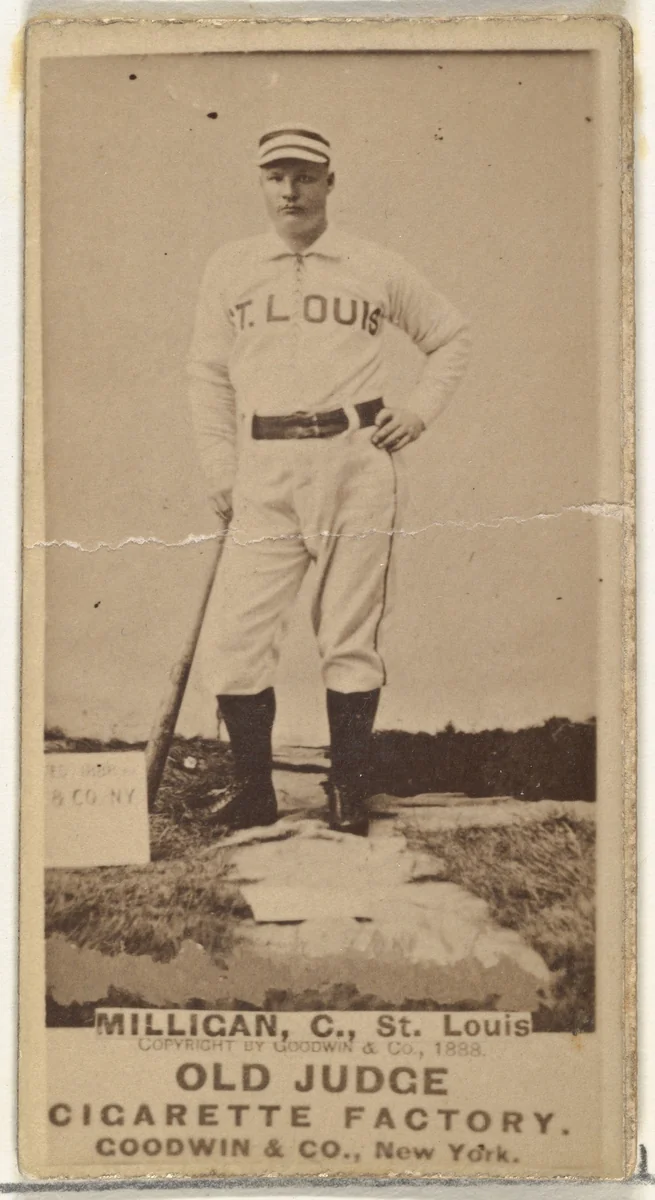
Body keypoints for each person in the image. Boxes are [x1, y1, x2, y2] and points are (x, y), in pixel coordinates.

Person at [188, 124, 471, 836]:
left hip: (354, 460)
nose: (290, 189)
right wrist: (221, 467)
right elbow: (207, 375)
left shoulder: (371, 264)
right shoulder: (230, 266)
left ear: (329, 183)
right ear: (260, 183)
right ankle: (254, 790)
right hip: (264, 465)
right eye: (276, 176)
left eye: (305, 176)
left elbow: (449, 335)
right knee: (236, 638)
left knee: (347, 635)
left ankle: (349, 788)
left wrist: (418, 411)